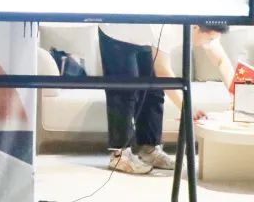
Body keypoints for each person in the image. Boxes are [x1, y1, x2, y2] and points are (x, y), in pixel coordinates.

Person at [98, 22, 233, 174]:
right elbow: (163, 70)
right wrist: (188, 108)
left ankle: (149, 149)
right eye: (209, 39)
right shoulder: (169, 28)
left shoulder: (207, 24)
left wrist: (235, 92)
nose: (208, 43)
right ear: (195, 27)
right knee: (125, 90)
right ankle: (119, 156)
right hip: (117, 30)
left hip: (145, 34)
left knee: (154, 88)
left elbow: (220, 60)